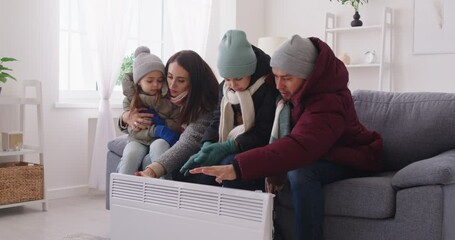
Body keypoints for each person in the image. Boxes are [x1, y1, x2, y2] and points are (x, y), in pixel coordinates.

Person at [189, 35, 383, 240]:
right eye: (276, 76)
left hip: (348, 156)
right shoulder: (289, 90)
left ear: (307, 75)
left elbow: (298, 145)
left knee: (300, 173)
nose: (278, 85)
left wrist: (238, 167)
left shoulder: (329, 102)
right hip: (319, 151)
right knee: (243, 168)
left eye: (287, 78)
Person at [179, 29, 278, 190]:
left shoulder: (268, 86)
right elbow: (217, 119)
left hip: (257, 149)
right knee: (197, 170)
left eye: (238, 78)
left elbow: (264, 130)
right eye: (227, 79)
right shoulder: (224, 88)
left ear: (251, 71)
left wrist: (230, 146)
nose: (232, 85)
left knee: (227, 163)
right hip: (230, 142)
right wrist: (208, 144)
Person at [121, 50, 219, 178]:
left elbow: (190, 141)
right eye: (170, 76)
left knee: (148, 160)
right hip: (145, 138)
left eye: (181, 80)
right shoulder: (161, 89)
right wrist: (125, 117)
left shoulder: (204, 105)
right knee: (132, 155)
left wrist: (154, 169)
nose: (172, 85)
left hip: (173, 144)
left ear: (195, 82)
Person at [116, 46, 181, 175]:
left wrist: (162, 126)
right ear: (139, 82)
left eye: (160, 80)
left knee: (160, 148)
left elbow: (177, 121)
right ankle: (121, 192)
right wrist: (154, 130)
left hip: (160, 139)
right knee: (131, 155)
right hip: (137, 140)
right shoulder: (130, 100)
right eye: (150, 81)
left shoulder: (167, 99)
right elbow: (132, 129)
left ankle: (165, 191)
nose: (156, 85)